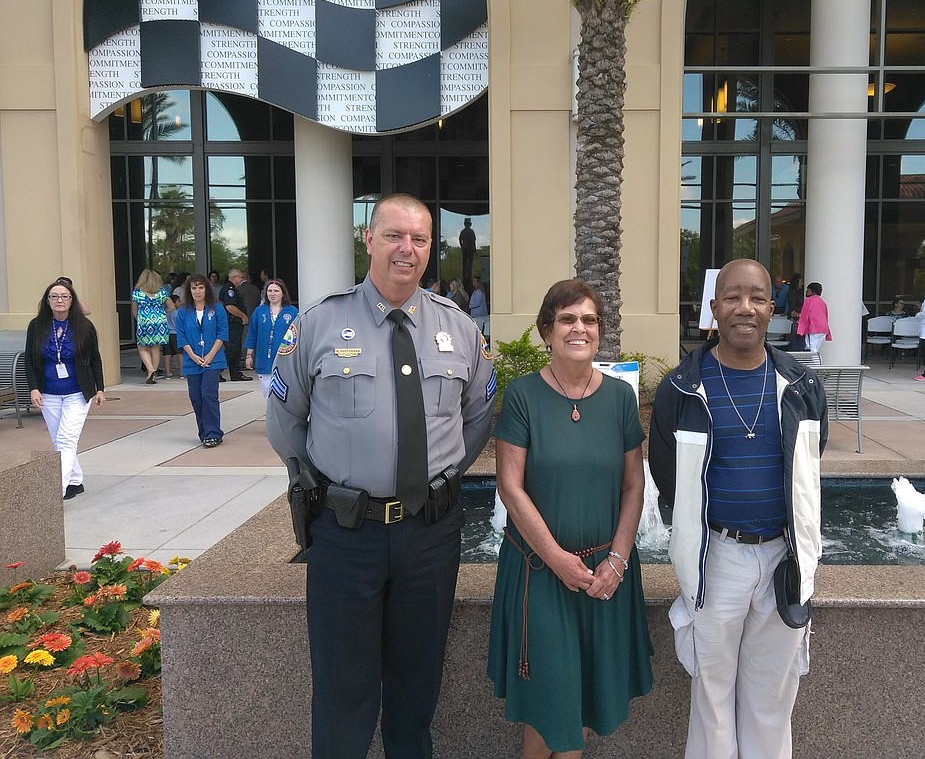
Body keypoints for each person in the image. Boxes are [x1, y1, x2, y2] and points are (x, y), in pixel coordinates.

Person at [265, 193, 495, 759]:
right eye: (394, 235)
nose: (406, 249)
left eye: (419, 239)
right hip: (347, 534)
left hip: (430, 536)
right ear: (368, 239)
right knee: (343, 691)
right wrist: (328, 487)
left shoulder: (459, 329)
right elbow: (285, 422)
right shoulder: (318, 323)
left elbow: (477, 418)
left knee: (417, 690)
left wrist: (434, 480)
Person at [648, 258, 828, 759]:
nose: (744, 307)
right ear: (713, 308)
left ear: (773, 308)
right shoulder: (681, 389)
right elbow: (668, 476)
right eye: (732, 296)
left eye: (756, 297)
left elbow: (807, 469)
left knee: (773, 699)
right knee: (711, 697)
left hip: (782, 560)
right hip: (717, 558)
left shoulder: (803, 387)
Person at [487, 279, 654, 757]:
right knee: (548, 704)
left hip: (604, 575)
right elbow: (510, 487)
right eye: (567, 319)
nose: (579, 328)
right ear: (546, 330)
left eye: (589, 319)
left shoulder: (621, 398)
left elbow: (633, 485)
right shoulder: (521, 396)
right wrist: (558, 559)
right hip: (541, 573)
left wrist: (618, 560)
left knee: (582, 708)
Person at [25, 280, 106, 500]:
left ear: (72, 301)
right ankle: (75, 481)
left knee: (67, 439)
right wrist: (33, 388)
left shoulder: (84, 326)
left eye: (64, 296)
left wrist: (100, 389)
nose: (59, 300)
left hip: (78, 392)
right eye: (54, 296)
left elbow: (95, 359)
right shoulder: (36, 325)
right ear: (47, 301)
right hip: (48, 392)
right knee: (58, 440)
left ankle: (56, 491)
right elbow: (30, 361)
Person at [177, 274, 229, 448]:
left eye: (201, 287)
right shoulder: (184, 311)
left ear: (206, 289)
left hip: (212, 360)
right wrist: (193, 356)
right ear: (189, 290)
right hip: (192, 360)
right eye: (194, 288)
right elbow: (182, 337)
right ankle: (204, 431)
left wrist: (210, 355)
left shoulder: (217, 308)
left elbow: (222, 333)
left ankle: (213, 432)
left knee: (208, 394)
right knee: (196, 397)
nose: (197, 291)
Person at [244, 278, 298, 398]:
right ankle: (271, 417)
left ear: (283, 293)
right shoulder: (259, 311)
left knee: (285, 396)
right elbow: (252, 334)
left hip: (285, 360)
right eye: (270, 291)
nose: (273, 294)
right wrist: (249, 355)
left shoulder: (292, 311)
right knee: (268, 394)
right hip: (264, 360)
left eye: (276, 291)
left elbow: (298, 336)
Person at [131, 268, 170, 384]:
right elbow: (172, 307)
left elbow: (134, 310)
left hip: (144, 322)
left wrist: (141, 320)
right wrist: (161, 313)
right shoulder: (162, 293)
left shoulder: (137, 293)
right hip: (160, 322)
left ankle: (150, 369)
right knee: (156, 348)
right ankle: (152, 372)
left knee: (142, 347)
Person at [219, 268, 252, 382]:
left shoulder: (233, 289)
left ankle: (235, 373)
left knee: (235, 349)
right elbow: (230, 307)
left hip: (234, 324)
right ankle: (216, 371)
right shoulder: (230, 289)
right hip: (231, 324)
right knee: (231, 349)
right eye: (241, 277)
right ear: (234, 277)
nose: (242, 280)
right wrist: (243, 316)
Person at [795, 282, 831, 353]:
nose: (806, 292)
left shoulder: (808, 301)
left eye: (808, 290)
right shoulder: (823, 302)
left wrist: (801, 329)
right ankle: (816, 363)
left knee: (811, 349)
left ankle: (815, 364)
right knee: (815, 349)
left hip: (813, 328)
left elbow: (804, 316)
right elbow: (826, 316)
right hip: (823, 329)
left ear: (813, 291)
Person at [459, 216, 477, 283]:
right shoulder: (471, 231)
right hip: (469, 248)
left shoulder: (463, 231)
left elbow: (460, 240)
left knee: (465, 263)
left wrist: (462, 246)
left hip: (466, 248)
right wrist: (474, 247)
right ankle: (467, 277)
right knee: (469, 263)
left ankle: (466, 277)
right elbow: (474, 240)